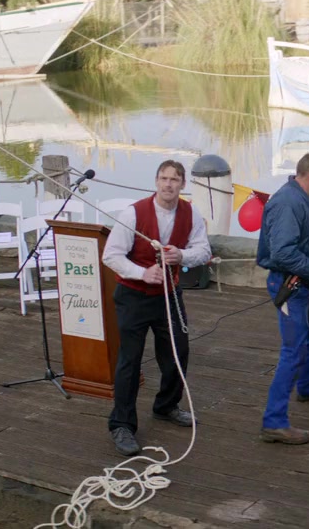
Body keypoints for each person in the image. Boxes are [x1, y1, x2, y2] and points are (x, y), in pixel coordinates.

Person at [102, 160, 211, 456]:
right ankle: (121, 424)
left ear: (183, 184)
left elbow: (203, 250)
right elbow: (111, 255)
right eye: (163, 178)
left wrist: (182, 255)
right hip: (133, 295)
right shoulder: (134, 213)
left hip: (168, 295)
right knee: (130, 360)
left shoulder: (191, 213)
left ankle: (166, 406)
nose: (168, 184)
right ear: (156, 181)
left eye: (174, 179)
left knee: (178, 351)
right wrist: (142, 273)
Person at [256, 151, 309, 446]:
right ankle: (273, 422)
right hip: (289, 286)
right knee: (293, 352)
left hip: (306, 281)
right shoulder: (287, 202)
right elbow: (282, 252)